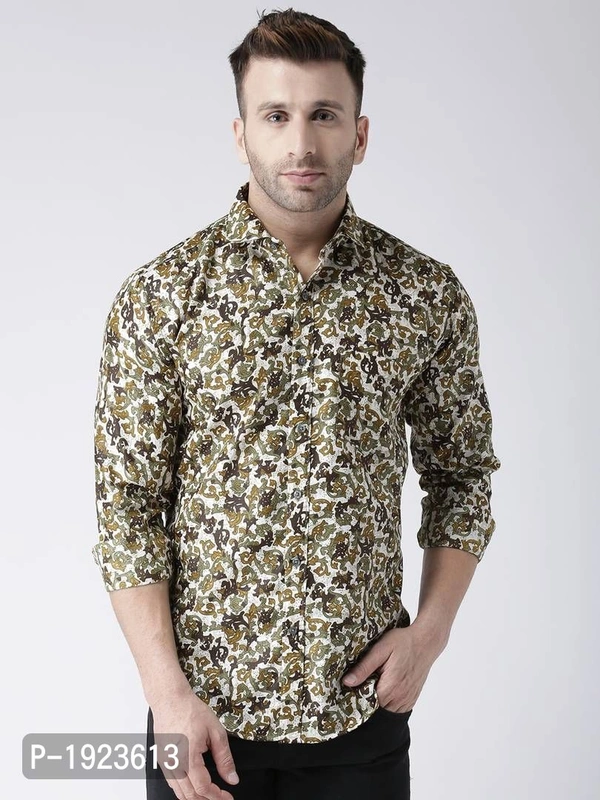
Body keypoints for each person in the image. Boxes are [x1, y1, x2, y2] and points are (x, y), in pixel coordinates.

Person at [91, 8, 501, 800]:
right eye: (276, 115)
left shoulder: (424, 296)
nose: (302, 144)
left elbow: (463, 475)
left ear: (360, 134)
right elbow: (127, 505)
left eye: (324, 115)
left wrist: (430, 636)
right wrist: (166, 695)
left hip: (361, 716)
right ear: (241, 133)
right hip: (201, 720)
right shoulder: (161, 297)